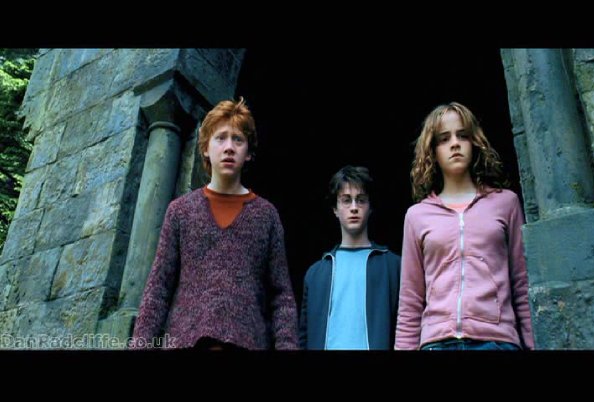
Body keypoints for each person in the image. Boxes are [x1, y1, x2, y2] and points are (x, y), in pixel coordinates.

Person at [131, 97, 298, 350]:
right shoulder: (180, 211)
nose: (229, 147)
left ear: (248, 153)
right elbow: (158, 288)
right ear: (206, 148)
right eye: (220, 138)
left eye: (238, 139)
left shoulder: (266, 216)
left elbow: (281, 296)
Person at [395, 102, 535, 351]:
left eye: (462, 135)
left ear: (474, 142)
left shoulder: (506, 203)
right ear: (432, 151)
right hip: (437, 343)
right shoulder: (417, 216)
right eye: (444, 139)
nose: (455, 144)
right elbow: (410, 298)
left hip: (496, 341)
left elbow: (522, 284)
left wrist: (533, 344)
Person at [299, 166, 401, 350]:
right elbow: (303, 338)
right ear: (335, 209)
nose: (354, 208)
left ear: (370, 207)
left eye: (361, 200)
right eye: (346, 200)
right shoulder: (315, 274)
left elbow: (406, 329)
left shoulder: (393, 267)